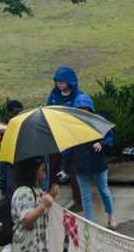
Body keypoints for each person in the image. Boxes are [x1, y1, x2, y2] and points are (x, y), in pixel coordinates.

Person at [47, 66, 112, 225]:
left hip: (75, 137)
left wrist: (101, 143)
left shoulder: (80, 97)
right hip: (58, 134)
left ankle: (79, 201)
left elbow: (108, 137)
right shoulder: (54, 95)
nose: (59, 85)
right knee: (54, 165)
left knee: (81, 174)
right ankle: (48, 198)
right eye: (57, 82)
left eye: (62, 82)